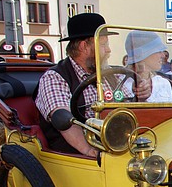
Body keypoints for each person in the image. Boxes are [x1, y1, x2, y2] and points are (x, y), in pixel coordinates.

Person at [35, 12, 118, 157]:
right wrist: (90, 151)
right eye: (103, 44)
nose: (108, 49)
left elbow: (130, 104)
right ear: (84, 46)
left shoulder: (109, 74)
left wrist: (142, 92)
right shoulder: (55, 77)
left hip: (117, 145)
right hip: (78, 157)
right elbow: (64, 120)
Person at [121, 30, 172, 103]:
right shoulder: (122, 83)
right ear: (144, 54)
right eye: (158, 51)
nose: (163, 55)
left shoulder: (163, 83)